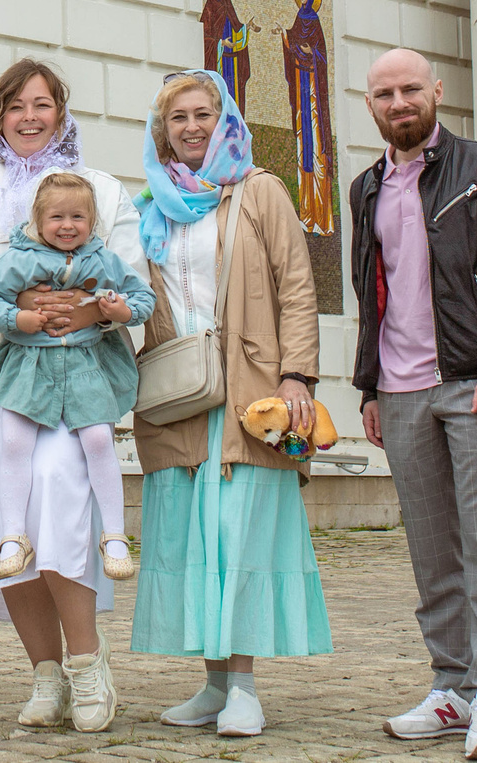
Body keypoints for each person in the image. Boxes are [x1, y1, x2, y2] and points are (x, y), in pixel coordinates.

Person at [0, 57, 143, 730]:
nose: (30, 116)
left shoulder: (104, 192)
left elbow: (132, 278)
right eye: (16, 105)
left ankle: (87, 666)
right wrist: (17, 303)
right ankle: (44, 675)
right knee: (10, 526)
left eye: (43, 104)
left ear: (61, 112)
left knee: (60, 504)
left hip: (75, 376)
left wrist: (88, 310)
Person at [353, 48, 477, 763]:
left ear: (436, 91)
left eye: (409, 88)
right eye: (383, 92)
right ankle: (451, 686)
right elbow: (373, 293)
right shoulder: (364, 186)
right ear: (369, 104)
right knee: (433, 549)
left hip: (472, 384)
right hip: (400, 393)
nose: (398, 101)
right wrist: (369, 385)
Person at [130, 68, 332, 738]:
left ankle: (244, 684)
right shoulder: (151, 205)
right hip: (179, 389)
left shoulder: (259, 191)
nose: (191, 126)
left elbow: (296, 285)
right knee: (194, 535)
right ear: (164, 130)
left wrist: (298, 376)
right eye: (177, 117)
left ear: (227, 120)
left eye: (203, 113)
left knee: (237, 531)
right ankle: (213, 683)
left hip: (251, 393)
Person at [0, 171, 152, 730]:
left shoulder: (103, 255)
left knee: (89, 459)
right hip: (26, 379)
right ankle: (11, 537)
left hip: (86, 379)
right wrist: (21, 314)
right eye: (57, 218)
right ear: (35, 222)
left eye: (78, 219)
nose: (68, 227)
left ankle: (90, 647)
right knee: (16, 449)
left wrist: (107, 309)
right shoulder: (16, 252)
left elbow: (139, 298)